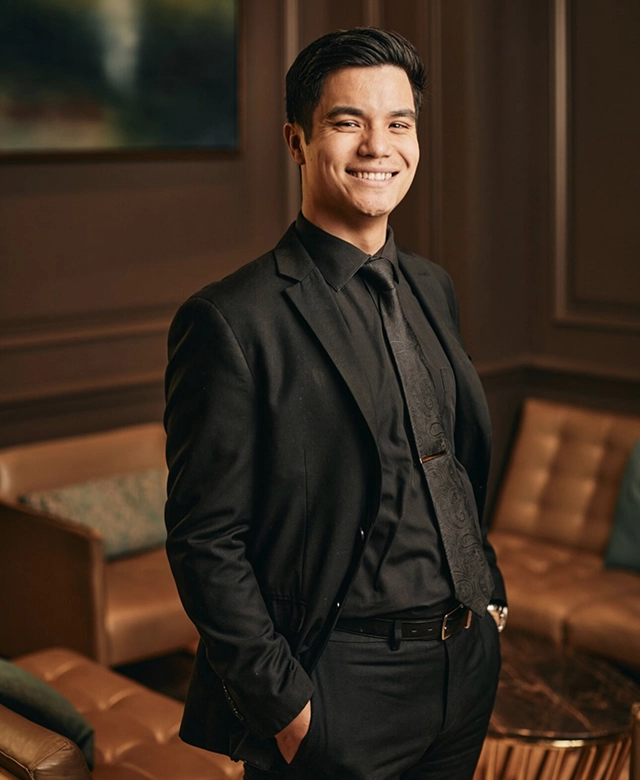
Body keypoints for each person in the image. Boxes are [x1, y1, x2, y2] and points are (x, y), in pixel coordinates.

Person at [164, 27, 507, 780]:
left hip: (464, 667)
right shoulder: (232, 320)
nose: (378, 146)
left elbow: (447, 462)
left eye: (399, 123)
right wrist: (288, 711)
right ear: (297, 140)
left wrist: (489, 598)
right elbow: (204, 541)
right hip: (339, 685)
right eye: (349, 122)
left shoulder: (432, 286)